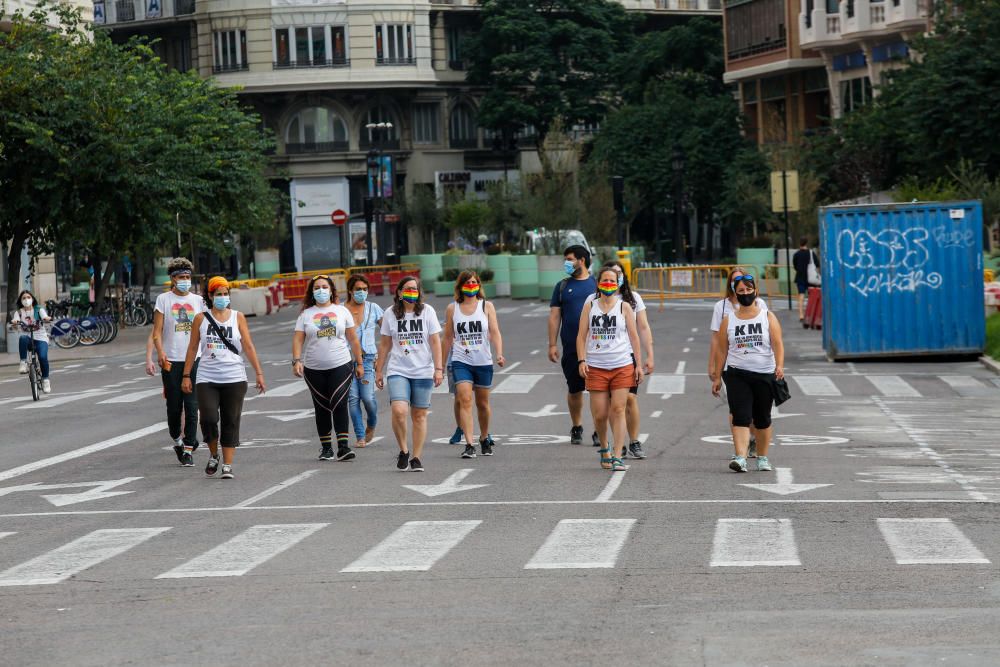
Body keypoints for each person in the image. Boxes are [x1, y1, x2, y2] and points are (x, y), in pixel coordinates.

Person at [181, 276, 266, 480]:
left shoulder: (238, 317)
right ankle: (213, 454)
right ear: (210, 296)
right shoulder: (201, 318)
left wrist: (259, 373)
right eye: (218, 294)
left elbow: (248, 345)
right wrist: (186, 375)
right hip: (207, 377)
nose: (222, 297)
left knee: (231, 420)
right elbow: (193, 347)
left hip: (234, 377)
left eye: (225, 293)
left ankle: (227, 465)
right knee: (209, 418)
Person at [711, 274, 785, 473]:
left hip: (764, 373)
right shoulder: (729, 320)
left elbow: (777, 343)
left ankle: (762, 457)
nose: (745, 294)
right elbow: (721, 350)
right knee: (740, 416)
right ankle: (740, 457)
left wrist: (779, 365)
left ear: (755, 291)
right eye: (741, 291)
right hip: (737, 374)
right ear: (735, 293)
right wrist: (717, 376)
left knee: (762, 419)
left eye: (749, 290)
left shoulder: (767, 316)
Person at [584, 262, 654, 459]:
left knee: (627, 401)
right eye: (606, 278)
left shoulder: (631, 300)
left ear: (622, 278)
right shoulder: (592, 301)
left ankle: (632, 441)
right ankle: (613, 442)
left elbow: (642, 328)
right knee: (604, 407)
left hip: (626, 357)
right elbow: (583, 332)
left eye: (617, 275)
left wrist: (649, 355)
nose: (611, 281)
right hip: (599, 358)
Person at [375, 277, 444, 472]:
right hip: (398, 369)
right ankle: (404, 450)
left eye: (415, 289)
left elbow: (435, 342)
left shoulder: (427, 311)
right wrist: (379, 370)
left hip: (423, 370)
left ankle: (416, 457)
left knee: (419, 415)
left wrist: (438, 369)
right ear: (399, 292)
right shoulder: (390, 313)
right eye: (407, 289)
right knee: (399, 411)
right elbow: (386, 343)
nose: (411, 292)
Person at [293, 275, 365, 461]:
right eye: (317, 287)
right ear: (312, 292)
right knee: (322, 406)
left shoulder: (342, 312)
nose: (321, 290)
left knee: (339, 402)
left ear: (332, 290)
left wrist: (359, 363)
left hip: (341, 364)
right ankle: (326, 448)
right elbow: (298, 339)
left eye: (325, 287)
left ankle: (343, 447)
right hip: (313, 369)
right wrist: (296, 360)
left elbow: (353, 339)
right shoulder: (305, 315)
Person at [442, 270, 505, 458]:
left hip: (483, 361)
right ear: (460, 286)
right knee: (464, 399)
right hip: (461, 360)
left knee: (483, 404)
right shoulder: (452, 308)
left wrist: (499, 353)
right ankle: (469, 444)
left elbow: (495, 332)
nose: (471, 285)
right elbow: (446, 338)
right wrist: (439, 365)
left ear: (478, 285)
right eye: (467, 282)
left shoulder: (487, 306)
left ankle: (484, 437)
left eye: (474, 282)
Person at [709, 267, 769, 460]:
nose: (742, 287)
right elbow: (717, 340)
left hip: (759, 368)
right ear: (732, 286)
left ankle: (752, 440)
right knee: (736, 409)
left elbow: (769, 334)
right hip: (732, 367)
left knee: (755, 412)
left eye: (745, 283)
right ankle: (740, 452)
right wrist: (714, 368)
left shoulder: (760, 304)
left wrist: (776, 364)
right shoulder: (722, 307)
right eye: (737, 282)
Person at [151, 258, 205, 466]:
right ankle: (177, 439)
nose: (185, 281)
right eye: (181, 277)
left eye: (187, 277)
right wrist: (161, 353)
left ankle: (189, 447)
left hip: (194, 359)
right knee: (174, 407)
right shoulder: (163, 300)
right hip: (171, 360)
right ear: (173, 279)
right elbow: (156, 332)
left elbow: (204, 330)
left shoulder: (198, 301)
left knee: (192, 406)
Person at [547, 244, 597, 445]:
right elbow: (554, 316)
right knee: (574, 389)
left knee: (598, 390)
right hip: (570, 348)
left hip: (596, 349)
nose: (566, 263)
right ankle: (577, 426)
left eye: (569, 259)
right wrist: (552, 344)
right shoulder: (561, 286)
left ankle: (598, 429)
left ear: (581, 260)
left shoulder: (597, 285)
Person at [343, 275, 384, 449]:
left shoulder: (373, 308)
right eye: (358, 289)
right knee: (353, 399)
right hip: (345, 359)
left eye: (365, 289)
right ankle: (360, 435)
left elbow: (388, 333)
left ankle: (372, 424)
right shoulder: (341, 309)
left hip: (367, 359)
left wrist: (380, 359)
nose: (362, 292)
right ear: (350, 291)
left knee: (367, 397)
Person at [11, 290, 52, 394]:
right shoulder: (19, 312)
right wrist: (14, 322)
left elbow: (44, 316)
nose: (26, 300)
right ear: (21, 300)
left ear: (32, 299)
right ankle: (23, 363)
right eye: (24, 298)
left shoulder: (39, 310)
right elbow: (15, 322)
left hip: (41, 338)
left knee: (43, 357)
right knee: (22, 338)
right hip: (28, 340)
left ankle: (46, 380)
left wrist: (46, 318)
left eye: (28, 297)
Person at [792, 237, 817, 325]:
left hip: (800, 277)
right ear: (806, 243)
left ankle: (801, 315)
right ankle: (810, 314)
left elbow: (794, 266)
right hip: (810, 278)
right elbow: (817, 264)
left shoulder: (796, 254)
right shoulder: (811, 253)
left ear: (800, 243)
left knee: (801, 296)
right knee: (811, 297)